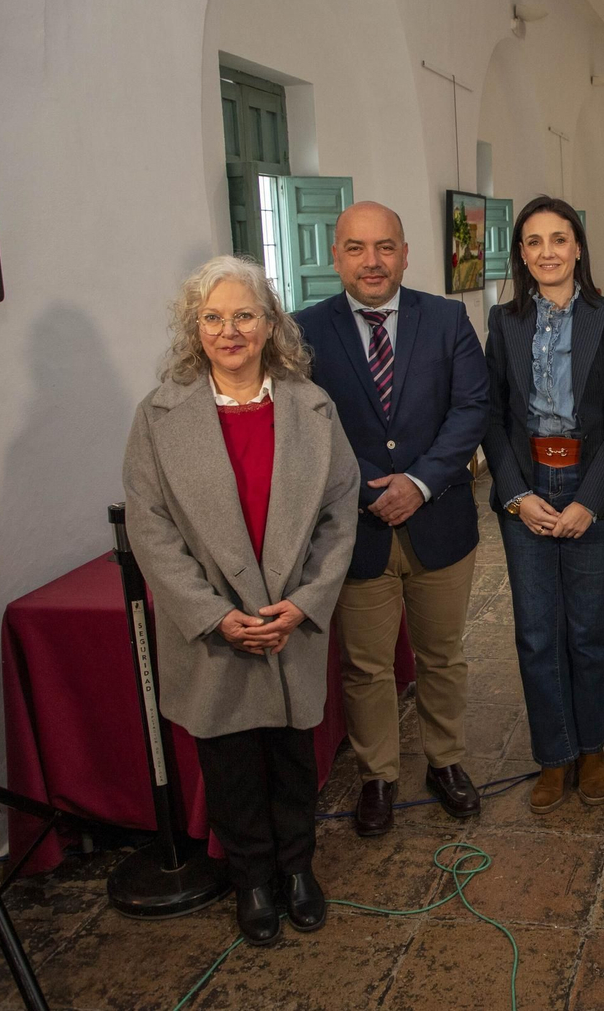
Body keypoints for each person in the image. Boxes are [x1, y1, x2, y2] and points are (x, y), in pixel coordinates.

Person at [122, 256, 359, 945]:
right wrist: (213, 613)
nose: (230, 331)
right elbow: (150, 525)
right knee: (227, 762)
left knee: (292, 756)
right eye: (214, 318)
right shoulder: (159, 416)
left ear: (269, 323)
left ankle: (297, 871)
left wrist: (307, 601)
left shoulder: (312, 407)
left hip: (291, 619)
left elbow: (340, 513)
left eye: (244, 315)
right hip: (214, 626)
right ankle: (251, 879)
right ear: (195, 328)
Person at [294, 201, 490, 836]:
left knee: (442, 655)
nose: (371, 261)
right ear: (336, 257)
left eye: (384, 247)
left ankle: (446, 762)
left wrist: (420, 481)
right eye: (356, 248)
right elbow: (302, 427)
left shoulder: (448, 318)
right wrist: (364, 488)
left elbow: (471, 408)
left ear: (406, 254)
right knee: (367, 666)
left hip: (439, 521)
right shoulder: (302, 332)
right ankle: (378, 775)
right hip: (354, 528)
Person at [482, 195, 604, 813]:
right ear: (522, 253)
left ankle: (592, 747)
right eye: (534, 242)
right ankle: (554, 755)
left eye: (559, 239)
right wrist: (517, 495)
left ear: (578, 248)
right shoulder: (504, 321)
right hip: (527, 487)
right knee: (537, 633)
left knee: (587, 630)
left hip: (589, 487)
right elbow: (490, 416)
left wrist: (591, 502)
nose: (547, 252)